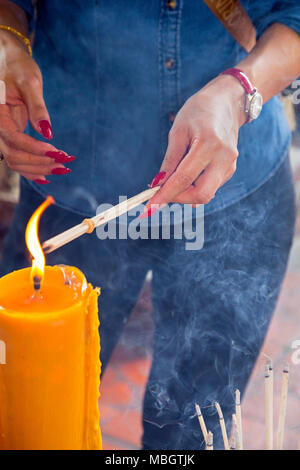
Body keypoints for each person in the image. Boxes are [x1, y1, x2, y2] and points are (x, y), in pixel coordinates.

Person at [0, 0, 299, 449]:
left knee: (192, 433)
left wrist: (237, 91)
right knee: (33, 418)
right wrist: (7, 46)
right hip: (75, 188)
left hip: (233, 188)